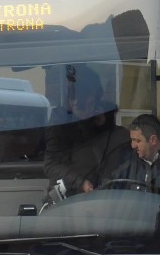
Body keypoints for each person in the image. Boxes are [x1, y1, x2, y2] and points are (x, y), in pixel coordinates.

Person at [43, 68, 130, 198]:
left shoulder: (106, 124)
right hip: (67, 195)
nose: (78, 102)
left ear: (97, 97)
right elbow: (51, 165)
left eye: (85, 96)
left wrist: (99, 123)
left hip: (104, 196)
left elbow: (112, 154)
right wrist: (80, 182)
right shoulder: (60, 122)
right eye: (73, 96)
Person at [109, 113, 160, 197]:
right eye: (132, 140)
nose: (133, 146)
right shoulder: (130, 162)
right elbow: (112, 185)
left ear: (153, 140)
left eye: (138, 141)